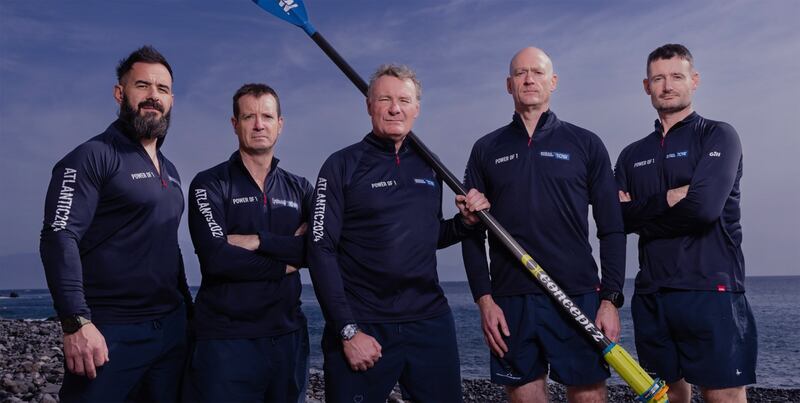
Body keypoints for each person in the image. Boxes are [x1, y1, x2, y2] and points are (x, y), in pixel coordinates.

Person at [308, 64, 490, 402]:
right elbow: (320, 249)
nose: (395, 108)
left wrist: (464, 224)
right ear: (368, 105)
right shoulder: (341, 165)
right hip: (365, 322)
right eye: (385, 99)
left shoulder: (430, 165)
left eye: (404, 100)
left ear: (416, 108)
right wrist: (347, 331)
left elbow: (429, 236)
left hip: (429, 321)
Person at [460, 47, 626, 403]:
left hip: (576, 294)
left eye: (537, 72)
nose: (529, 79)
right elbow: (470, 231)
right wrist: (484, 301)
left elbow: (612, 227)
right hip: (511, 299)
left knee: (589, 397)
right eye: (520, 73)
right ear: (509, 85)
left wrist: (610, 299)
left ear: (553, 82)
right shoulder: (485, 149)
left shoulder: (585, 143)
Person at [39, 45, 192, 402]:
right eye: (142, 85)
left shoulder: (171, 171)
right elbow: (59, 236)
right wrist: (75, 322)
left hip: (171, 331)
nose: (153, 96)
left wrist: (189, 314)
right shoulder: (91, 157)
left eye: (162, 89)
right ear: (120, 93)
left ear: (171, 100)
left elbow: (168, 246)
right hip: (110, 333)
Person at [614, 43, 756, 403]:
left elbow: (704, 209)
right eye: (658, 79)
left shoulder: (718, 135)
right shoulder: (632, 155)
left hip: (710, 289)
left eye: (676, 76)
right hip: (653, 294)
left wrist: (642, 215)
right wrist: (669, 198)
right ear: (646, 86)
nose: (667, 86)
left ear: (694, 80)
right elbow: (616, 219)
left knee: (724, 395)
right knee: (667, 397)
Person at [185, 83, 311, 402]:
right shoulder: (209, 184)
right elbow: (217, 259)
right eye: (248, 117)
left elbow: (319, 249)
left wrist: (258, 241)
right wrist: (287, 263)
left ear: (280, 124)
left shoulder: (301, 188)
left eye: (267, 117)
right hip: (225, 341)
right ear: (235, 124)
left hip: (288, 339)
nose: (258, 125)